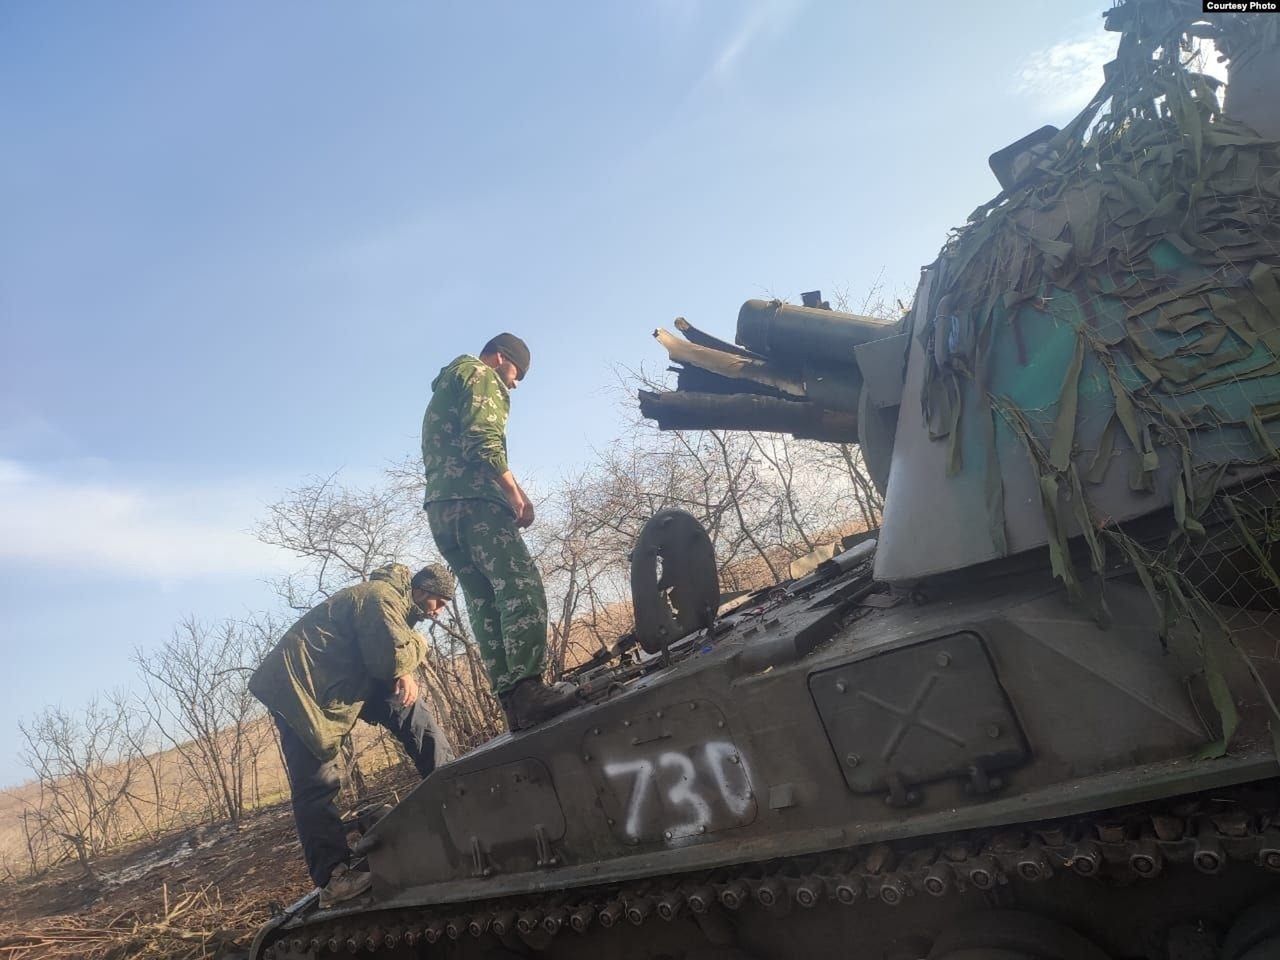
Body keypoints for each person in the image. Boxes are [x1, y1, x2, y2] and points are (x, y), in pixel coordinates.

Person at [249, 562, 454, 907]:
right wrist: (414, 651)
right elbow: (388, 661)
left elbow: (388, 662)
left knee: (407, 708)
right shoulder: (380, 598)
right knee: (317, 783)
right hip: (300, 690)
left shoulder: (388, 603)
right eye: (441, 602)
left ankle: (451, 785)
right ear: (424, 590)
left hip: (336, 685)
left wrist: (403, 667)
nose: (440, 612)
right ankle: (333, 878)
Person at [421, 332, 578, 731]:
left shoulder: (447, 386)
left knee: (484, 600)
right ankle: (528, 687)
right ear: (500, 358)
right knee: (519, 584)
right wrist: (513, 493)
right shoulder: (480, 374)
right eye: (517, 372)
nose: (516, 383)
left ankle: (513, 701)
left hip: (441, 509)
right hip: (476, 503)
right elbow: (483, 439)